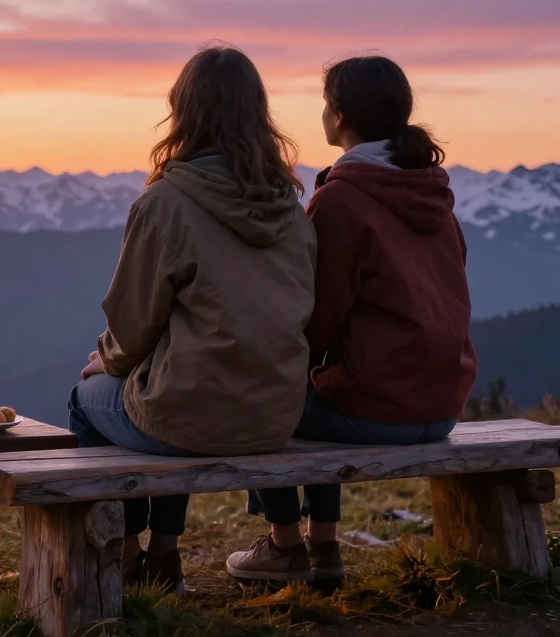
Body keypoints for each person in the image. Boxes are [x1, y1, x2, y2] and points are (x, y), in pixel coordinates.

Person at [69, 44, 317, 595]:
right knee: (172, 385)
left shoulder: (164, 203)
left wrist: (105, 362)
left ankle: (126, 558)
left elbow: (133, 327)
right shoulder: (291, 209)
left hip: (190, 413)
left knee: (93, 400)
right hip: (276, 413)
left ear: (183, 111)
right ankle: (167, 553)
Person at [225, 54, 478, 583]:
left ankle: (285, 545)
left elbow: (316, 321)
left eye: (325, 104)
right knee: (323, 386)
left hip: (378, 409)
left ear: (339, 117)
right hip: (442, 407)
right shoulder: (433, 193)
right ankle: (324, 547)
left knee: (258, 401)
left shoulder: (341, 200)